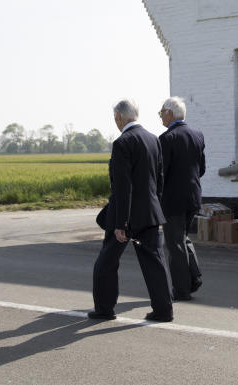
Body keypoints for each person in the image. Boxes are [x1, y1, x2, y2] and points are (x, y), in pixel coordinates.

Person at [89, 99, 174, 323]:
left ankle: (104, 308)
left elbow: (122, 187)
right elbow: (160, 180)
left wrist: (120, 224)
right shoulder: (153, 139)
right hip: (150, 212)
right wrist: (156, 206)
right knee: (155, 263)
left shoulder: (122, 143)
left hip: (124, 216)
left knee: (105, 263)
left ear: (118, 117)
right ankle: (164, 311)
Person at [158, 96, 205, 301]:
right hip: (193, 197)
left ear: (170, 113)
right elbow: (201, 168)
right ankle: (194, 277)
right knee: (183, 238)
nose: (160, 116)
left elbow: (161, 174)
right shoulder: (197, 135)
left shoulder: (166, 139)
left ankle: (181, 289)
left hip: (173, 200)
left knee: (174, 244)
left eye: (161, 112)